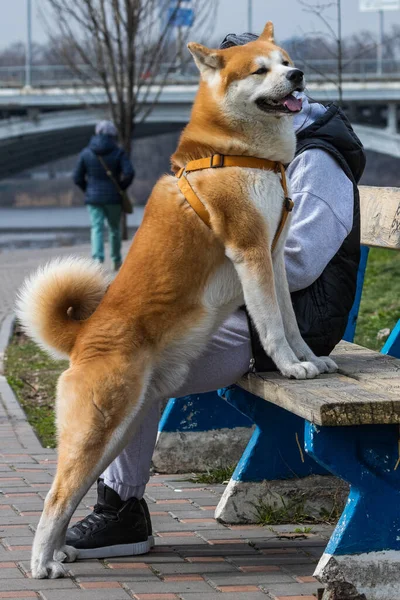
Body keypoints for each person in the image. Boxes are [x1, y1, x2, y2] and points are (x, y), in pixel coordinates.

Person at [66, 33, 366, 558]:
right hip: (243, 309)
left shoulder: (317, 160)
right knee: (118, 341)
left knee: (137, 361)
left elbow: (297, 265)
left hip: (292, 325)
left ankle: (121, 511)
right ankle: (118, 503)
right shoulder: (250, 144)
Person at [73, 120, 135, 271]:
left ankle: (97, 261)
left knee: (96, 228)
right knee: (114, 229)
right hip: (113, 197)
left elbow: (77, 177)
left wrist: (87, 190)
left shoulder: (86, 152)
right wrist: (121, 187)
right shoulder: (118, 152)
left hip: (93, 198)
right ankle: (116, 260)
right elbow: (129, 173)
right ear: (113, 134)